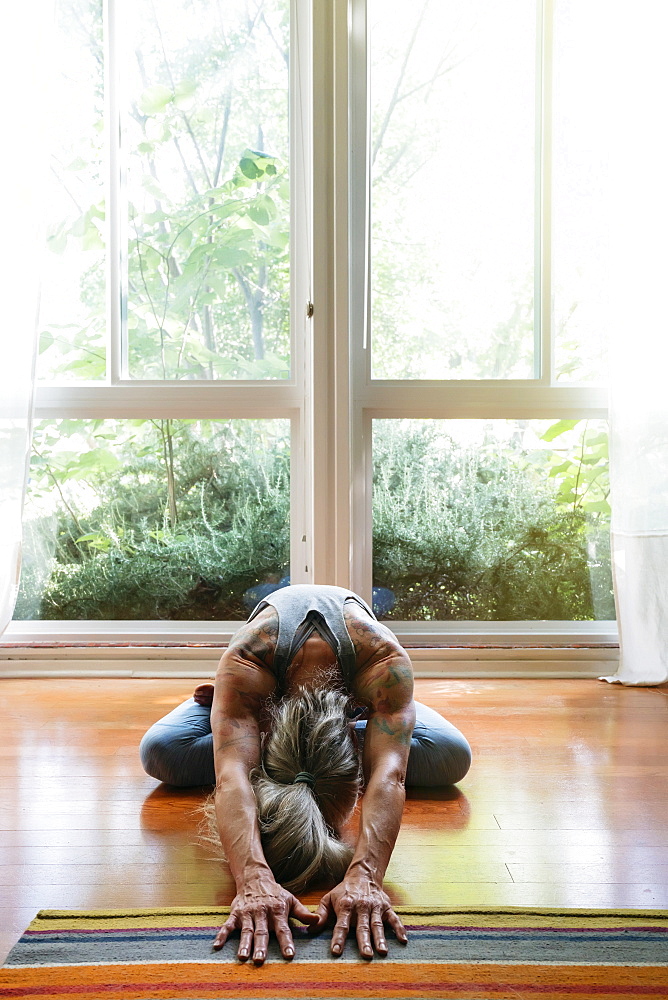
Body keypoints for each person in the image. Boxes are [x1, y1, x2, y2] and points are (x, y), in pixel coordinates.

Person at [140, 584, 471, 963]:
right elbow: (231, 777)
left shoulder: (382, 660)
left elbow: (390, 776)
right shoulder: (247, 661)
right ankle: (237, 709)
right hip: (255, 684)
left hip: (369, 681)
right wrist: (251, 879)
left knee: (451, 756)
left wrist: (366, 876)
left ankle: (387, 709)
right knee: (162, 752)